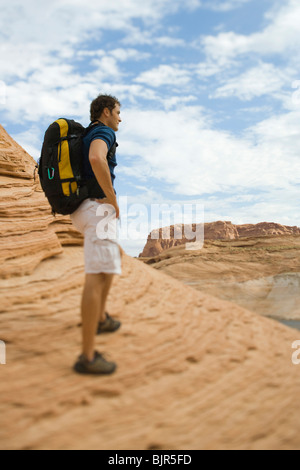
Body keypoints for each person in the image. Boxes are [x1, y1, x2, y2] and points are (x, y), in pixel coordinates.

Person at [70, 94, 123, 375]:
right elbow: (96, 158)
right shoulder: (103, 131)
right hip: (97, 209)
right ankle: (88, 358)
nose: (120, 118)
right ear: (106, 112)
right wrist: (111, 199)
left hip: (81, 210)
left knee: (107, 269)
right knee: (96, 275)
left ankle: (100, 318)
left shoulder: (87, 133)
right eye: (117, 112)